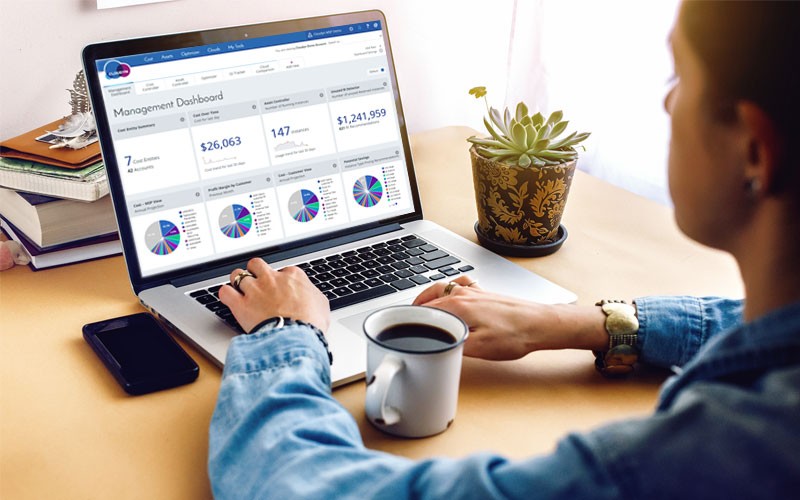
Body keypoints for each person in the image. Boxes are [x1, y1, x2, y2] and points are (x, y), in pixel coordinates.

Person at [209, 1, 800, 497]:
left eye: (680, 78)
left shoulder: (717, 452)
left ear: (754, 150)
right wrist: (571, 324)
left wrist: (283, 334)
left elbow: (311, 487)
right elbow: (751, 328)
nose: (668, 105)